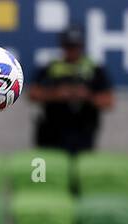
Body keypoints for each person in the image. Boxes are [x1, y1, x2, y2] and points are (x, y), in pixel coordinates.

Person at [31, 27, 115, 155]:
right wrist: (56, 94)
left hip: (83, 132)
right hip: (51, 132)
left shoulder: (94, 69)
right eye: (68, 46)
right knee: (48, 171)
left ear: (82, 46)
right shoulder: (51, 67)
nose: (72, 51)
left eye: (75, 46)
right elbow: (33, 93)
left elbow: (108, 101)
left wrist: (87, 96)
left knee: (80, 171)